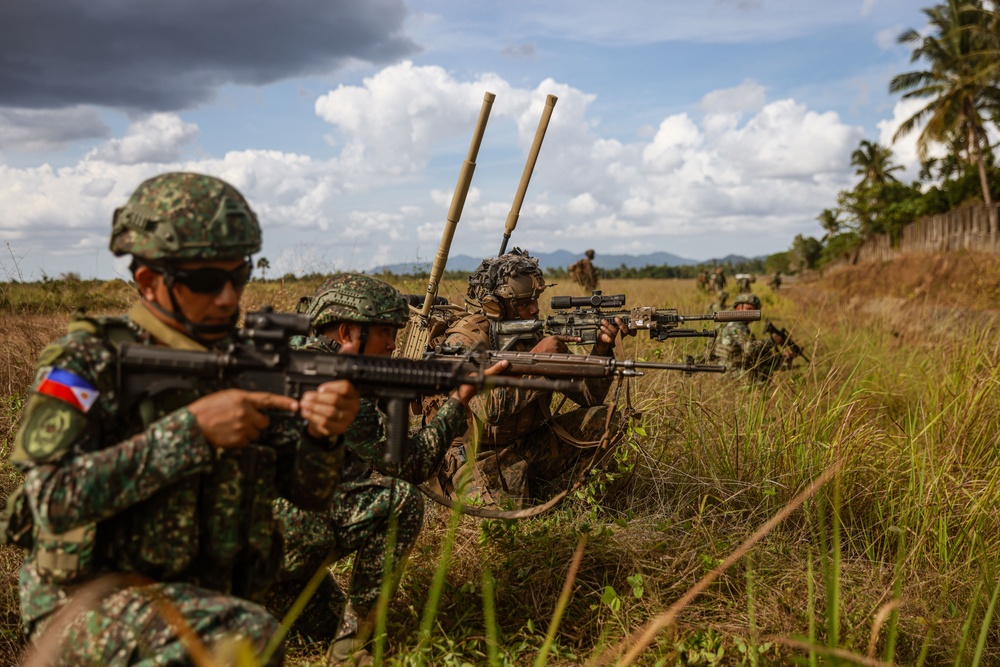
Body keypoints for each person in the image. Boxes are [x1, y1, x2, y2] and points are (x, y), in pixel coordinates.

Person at [1, 172, 360, 665]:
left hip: (205, 594)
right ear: (148, 281)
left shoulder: (243, 362)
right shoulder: (84, 363)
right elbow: (50, 501)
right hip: (87, 599)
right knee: (249, 639)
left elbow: (309, 494)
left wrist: (324, 435)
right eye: (207, 282)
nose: (228, 298)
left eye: (238, 277)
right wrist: (190, 432)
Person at [269, 274, 504, 665]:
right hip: (267, 540)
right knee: (400, 502)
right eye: (384, 333)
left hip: (255, 547)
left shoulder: (302, 356)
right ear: (347, 331)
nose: (394, 345)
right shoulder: (333, 379)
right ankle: (348, 656)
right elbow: (407, 465)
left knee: (329, 624)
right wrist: (458, 402)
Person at [432, 248, 631, 508]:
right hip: (477, 458)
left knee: (607, 420)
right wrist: (538, 361)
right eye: (524, 303)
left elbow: (588, 396)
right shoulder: (465, 340)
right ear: (496, 304)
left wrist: (602, 349)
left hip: (529, 446)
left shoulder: (534, 334)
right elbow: (490, 410)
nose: (535, 309)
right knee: (504, 528)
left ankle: (591, 508)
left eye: (536, 299)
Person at [706, 292, 795, 383]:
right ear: (738, 308)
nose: (751, 313)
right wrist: (772, 340)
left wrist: (781, 358)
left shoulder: (725, 323)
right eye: (749, 309)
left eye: (754, 310)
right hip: (729, 374)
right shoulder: (736, 326)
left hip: (720, 371)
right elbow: (750, 348)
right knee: (765, 373)